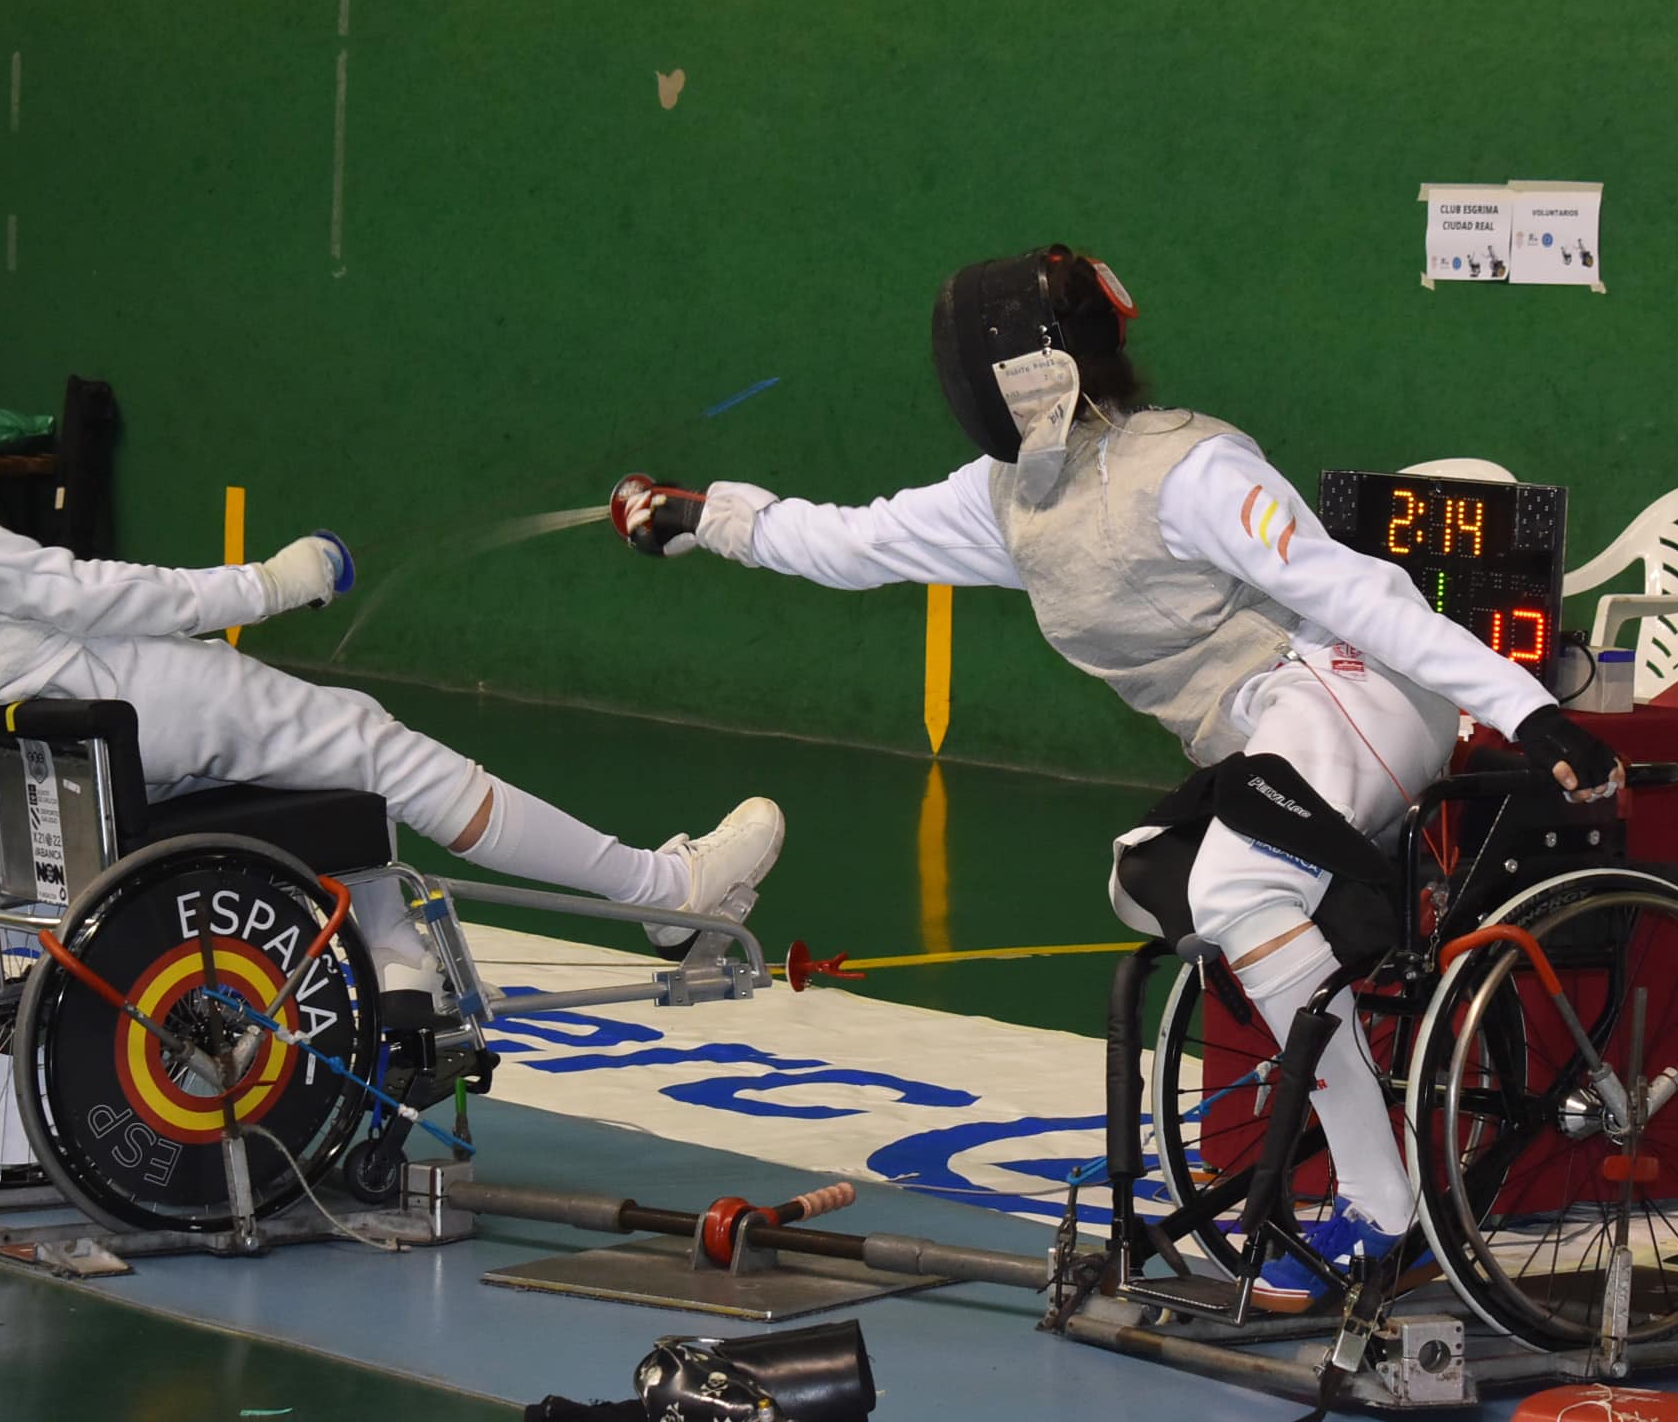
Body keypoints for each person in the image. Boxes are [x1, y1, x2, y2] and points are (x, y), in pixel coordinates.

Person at [614, 245, 1621, 1311]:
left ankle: (1390, 1213)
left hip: (1346, 692)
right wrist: (700, 518)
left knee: (1236, 888)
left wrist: (1526, 709)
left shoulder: (1187, 471)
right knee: (1145, 876)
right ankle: (1370, 959)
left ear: (1028, 368)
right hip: (1259, 736)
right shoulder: (1011, 495)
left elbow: (1352, 586)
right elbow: (848, 540)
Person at [0, 292, 782, 997]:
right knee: (373, 745)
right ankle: (660, 895)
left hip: (14, 748)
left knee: (307, 764)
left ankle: (391, 963)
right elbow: (81, 591)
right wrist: (269, 583)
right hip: (105, 700)